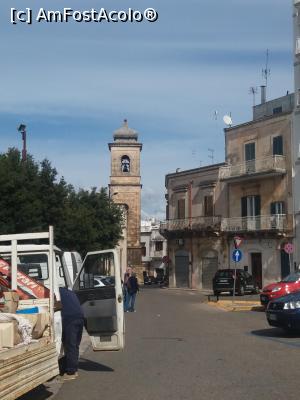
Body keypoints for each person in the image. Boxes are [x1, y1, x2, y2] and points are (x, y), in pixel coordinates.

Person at [58, 287, 84, 381]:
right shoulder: (69, 291)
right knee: (75, 345)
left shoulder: (56, 292)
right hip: (80, 317)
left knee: (70, 345)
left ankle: (71, 372)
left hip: (70, 318)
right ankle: (74, 369)